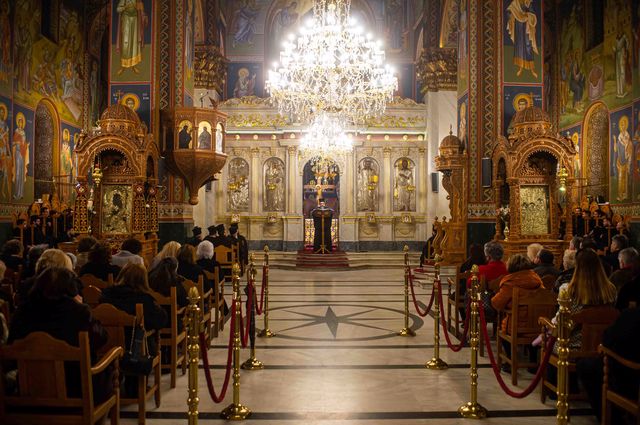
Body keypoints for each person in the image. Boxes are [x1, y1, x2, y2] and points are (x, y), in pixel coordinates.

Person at [8, 267, 110, 401]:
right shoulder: (79, 312)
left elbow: (11, 349)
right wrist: (81, 306)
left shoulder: (22, 312)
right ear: (71, 288)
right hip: (76, 391)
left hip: (30, 390)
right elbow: (101, 339)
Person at [99, 263, 167, 397]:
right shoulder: (143, 300)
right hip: (134, 353)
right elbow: (160, 321)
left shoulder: (105, 296)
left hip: (107, 348)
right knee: (144, 338)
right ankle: (135, 388)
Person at [577, 307, 640, 423]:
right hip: (631, 373)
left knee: (586, 366)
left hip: (629, 380)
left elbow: (607, 340)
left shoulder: (632, 315)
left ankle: (612, 419)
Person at [554, 248, 617, 354]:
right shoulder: (611, 289)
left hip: (574, 347)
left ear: (577, 268)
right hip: (604, 345)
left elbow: (565, 324)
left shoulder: (570, 291)